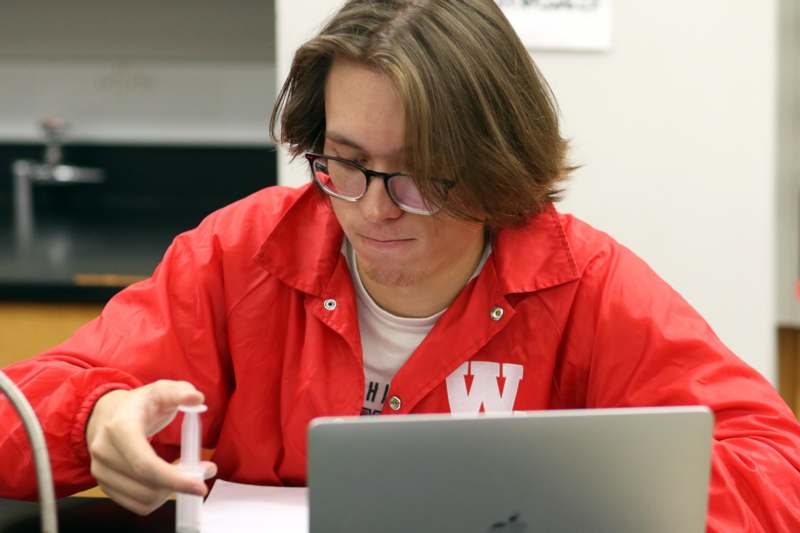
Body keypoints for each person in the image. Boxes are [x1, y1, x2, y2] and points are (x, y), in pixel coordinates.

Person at [1, 0, 799, 530]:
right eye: (343, 160)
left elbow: (777, 470)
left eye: (420, 172)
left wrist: (584, 497)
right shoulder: (243, 253)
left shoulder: (580, 279)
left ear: (497, 167)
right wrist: (96, 417)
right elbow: (18, 417)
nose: (373, 207)